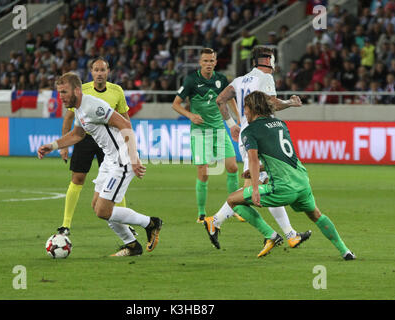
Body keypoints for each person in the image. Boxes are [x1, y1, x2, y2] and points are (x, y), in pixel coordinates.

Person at [206, 91, 355, 260]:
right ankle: (345, 251)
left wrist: (255, 188)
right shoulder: (280, 123)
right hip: (302, 181)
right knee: (316, 215)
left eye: (245, 108)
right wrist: (262, 169)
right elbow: (280, 156)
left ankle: (270, 235)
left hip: (283, 187)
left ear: (253, 108)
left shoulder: (250, 131)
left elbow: (253, 160)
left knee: (234, 201)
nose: (244, 112)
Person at [38, 72, 163, 257]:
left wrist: (134, 159)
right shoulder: (79, 109)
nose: (61, 97)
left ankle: (151, 223)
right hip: (109, 160)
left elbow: (125, 125)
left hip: (122, 159)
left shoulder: (92, 106)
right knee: (98, 206)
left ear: (77, 91)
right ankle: (132, 245)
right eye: (59, 92)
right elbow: (78, 134)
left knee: (104, 210)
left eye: (64, 92)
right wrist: (53, 146)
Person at [205, 46, 311, 253]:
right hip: (259, 134)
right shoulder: (265, 78)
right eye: (273, 59)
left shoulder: (240, 80)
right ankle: (215, 220)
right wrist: (291, 102)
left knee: (268, 183)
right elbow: (272, 104)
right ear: (268, 60)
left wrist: (232, 125)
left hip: (247, 133)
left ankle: (290, 235)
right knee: (260, 186)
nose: (274, 63)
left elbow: (220, 100)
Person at [57, 57, 131, 237]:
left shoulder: (117, 91)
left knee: (114, 180)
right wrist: (62, 145)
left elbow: (124, 118)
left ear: (108, 72)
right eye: (96, 70)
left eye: (102, 70)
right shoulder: (82, 90)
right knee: (78, 178)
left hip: (108, 142)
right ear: (91, 72)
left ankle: (126, 225)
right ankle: (66, 224)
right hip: (85, 138)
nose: (99, 73)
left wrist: (128, 143)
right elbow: (69, 118)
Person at [172, 48, 244, 223]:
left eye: (211, 61)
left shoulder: (221, 79)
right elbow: (176, 104)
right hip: (200, 132)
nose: (208, 64)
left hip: (219, 129)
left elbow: (230, 98)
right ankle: (201, 214)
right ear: (200, 62)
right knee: (203, 173)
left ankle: (233, 208)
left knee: (233, 167)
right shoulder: (191, 80)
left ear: (216, 62)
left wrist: (238, 119)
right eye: (205, 61)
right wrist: (190, 116)